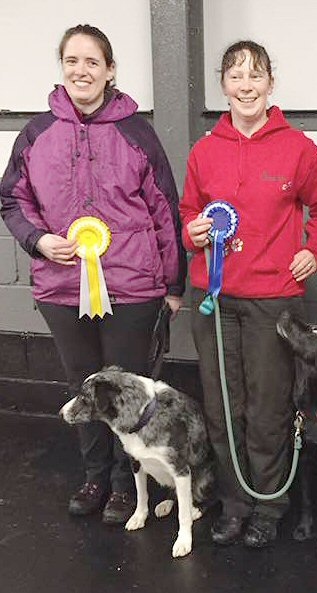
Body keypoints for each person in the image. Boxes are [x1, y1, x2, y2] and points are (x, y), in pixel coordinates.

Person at [0, 24, 186, 525]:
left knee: (127, 394)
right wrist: (37, 239)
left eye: (92, 62)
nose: (81, 71)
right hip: (61, 288)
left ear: (109, 71)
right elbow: (12, 199)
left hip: (132, 288)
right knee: (82, 387)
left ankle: (129, 486)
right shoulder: (36, 135)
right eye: (72, 61)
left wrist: (173, 285)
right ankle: (95, 477)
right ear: (63, 68)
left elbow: (165, 209)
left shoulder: (136, 133)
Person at [180, 40, 317, 548]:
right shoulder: (205, 151)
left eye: (256, 76)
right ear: (223, 85)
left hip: (273, 300)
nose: (245, 85)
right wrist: (194, 234)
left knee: (268, 409)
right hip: (214, 299)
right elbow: (187, 214)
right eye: (235, 76)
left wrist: (314, 251)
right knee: (223, 406)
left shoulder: (298, 149)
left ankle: (269, 504)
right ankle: (234, 502)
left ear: (271, 83)